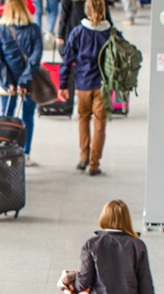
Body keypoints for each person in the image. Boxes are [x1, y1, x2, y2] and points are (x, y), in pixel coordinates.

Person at [59, 0, 112, 175]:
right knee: (100, 124)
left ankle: (83, 156)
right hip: (103, 86)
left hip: (82, 84)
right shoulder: (110, 33)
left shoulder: (78, 32)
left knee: (83, 119)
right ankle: (94, 163)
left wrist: (63, 84)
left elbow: (67, 60)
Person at [0, 0, 43, 166]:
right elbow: (35, 58)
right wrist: (24, 80)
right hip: (29, 83)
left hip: (8, 86)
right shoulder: (34, 29)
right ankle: (25, 153)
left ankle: (7, 152)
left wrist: (9, 82)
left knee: (7, 117)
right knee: (28, 117)